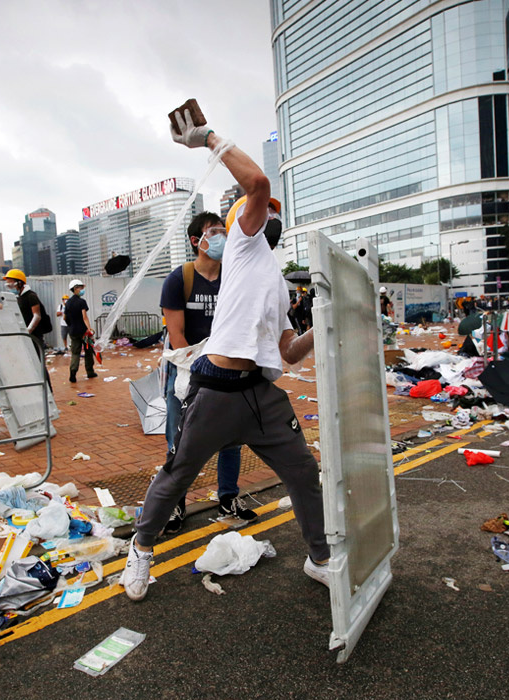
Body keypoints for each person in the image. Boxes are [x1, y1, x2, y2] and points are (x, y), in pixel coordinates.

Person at [120, 108, 328, 601]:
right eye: (263, 209)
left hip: (261, 395)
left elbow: (289, 353)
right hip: (215, 391)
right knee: (178, 475)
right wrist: (206, 138)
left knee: (303, 473)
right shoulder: (242, 244)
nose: (269, 213)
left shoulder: (275, 282)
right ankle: (141, 550)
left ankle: (321, 558)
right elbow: (255, 182)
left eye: (274, 210)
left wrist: (325, 320)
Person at [158, 211, 255, 533]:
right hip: (187, 370)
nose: (221, 237)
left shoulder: (235, 275)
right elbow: (177, 335)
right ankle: (175, 503)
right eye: (214, 231)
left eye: (223, 231)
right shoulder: (179, 279)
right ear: (196, 241)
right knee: (180, 440)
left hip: (227, 369)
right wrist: (197, 374)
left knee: (231, 439)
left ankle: (228, 497)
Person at [3, 269, 52, 351]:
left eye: (11, 284)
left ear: (20, 283)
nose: (10, 287)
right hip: (24, 333)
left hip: (34, 334)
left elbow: (37, 316)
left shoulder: (30, 296)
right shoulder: (18, 297)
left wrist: (28, 331)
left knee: (36, 357)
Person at [64, 279, 96, 383]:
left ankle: (73, 373)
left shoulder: (68, 303)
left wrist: (71, 325)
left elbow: (65, 318)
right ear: (75, 288)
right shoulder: (82, 302)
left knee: (75, 353)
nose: (82, 290)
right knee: (88, 351)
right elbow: (84, 317)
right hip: (83, 331)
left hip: (73, 332)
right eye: (80, 287)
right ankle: (90, 372)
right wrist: (89, 328)